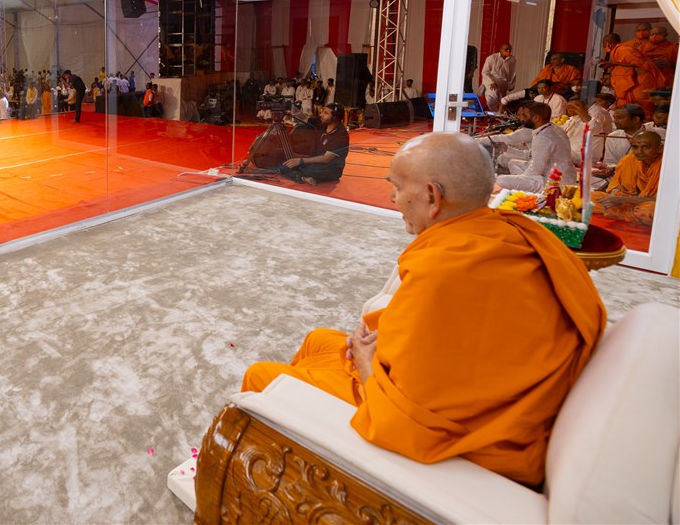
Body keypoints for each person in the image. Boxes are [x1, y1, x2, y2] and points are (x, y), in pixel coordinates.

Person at [241, 132, 605, 487]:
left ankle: (262, 480)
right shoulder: (511, 231)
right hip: (477, 390)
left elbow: (399, 412)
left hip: (472, 434)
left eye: (398, 187)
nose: (392, 197)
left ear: (432, 196)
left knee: (261, 375)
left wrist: (367, 363)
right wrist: (381, 344)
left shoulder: (446, 269)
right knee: (319, 339)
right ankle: (290, 447)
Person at [494, 102, 575, 192]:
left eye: (525, 116)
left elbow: (536, 169)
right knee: (513, 163)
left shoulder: (544, 137)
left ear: (536, 118)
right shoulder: (553, 127)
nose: (521, 118)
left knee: (501, 180)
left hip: (556, 183)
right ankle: (525, 189)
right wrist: (507, 149)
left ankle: (528, 192)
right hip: (557, 173)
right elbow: (532, 155)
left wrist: (521, 179)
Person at [591, 131, 661, 225]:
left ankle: (622, 213)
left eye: (645, 147)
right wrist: (613, 198)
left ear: (660, 148)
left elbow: (663, 200)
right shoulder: (629, 160)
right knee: (587, 198)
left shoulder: (667, 166)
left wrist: (623, 200)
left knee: (650, 211)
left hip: (646, 204)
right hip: (626, 202)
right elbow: (617, 187)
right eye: (635, 147)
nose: (639, 152)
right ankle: (627, 214)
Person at [279, 103, 349, 185]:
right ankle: (304, 178)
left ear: (335, 117)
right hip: (315, 162)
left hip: (330, 168)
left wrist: (301, 160)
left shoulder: (341, 135)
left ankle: (302, 177)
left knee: (308, 169)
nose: (321, 115)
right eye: (323, 111)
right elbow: (304, 119)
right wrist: (291, 108)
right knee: (285, 166)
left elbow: (326, 158)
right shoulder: (322, 123)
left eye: (326, 113)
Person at [601, 33, 665, 115]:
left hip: (640, 82)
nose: (603, 46)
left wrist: (613, 63)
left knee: (641, 109)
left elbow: (639, 63)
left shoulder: (624, 49)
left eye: (603, 44)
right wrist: (612, 64)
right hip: (632, 84)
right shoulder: (617, 51)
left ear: (609, 43)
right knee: (629, 111)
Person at [479, 43, 517, 111]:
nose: (508, 51)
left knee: (501, 101)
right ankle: (491, 113)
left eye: (509, 49)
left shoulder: (512, 59)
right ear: (501, 50)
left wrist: (511, 85)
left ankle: (493, 114)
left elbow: (512, 73)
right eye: (506, 49)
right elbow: (484, 72)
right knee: (491, 99)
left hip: (503, 83)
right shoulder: (492, 58)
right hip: (491, 82)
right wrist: (491, 82)